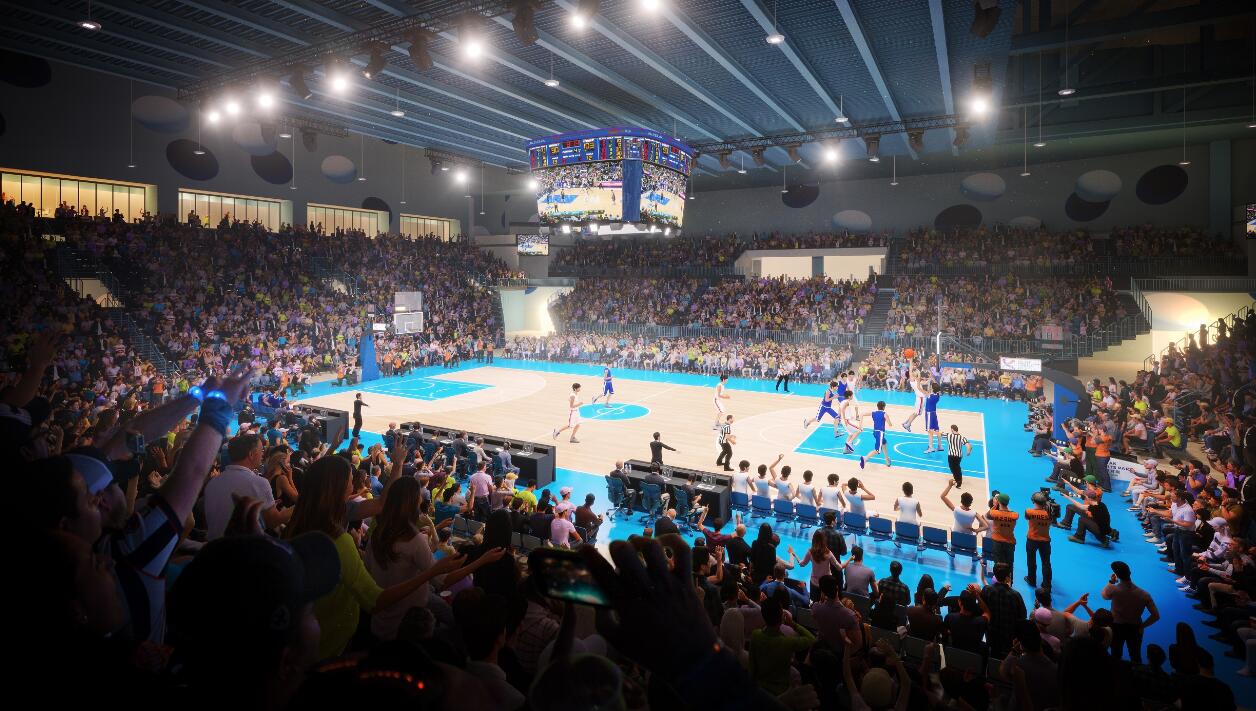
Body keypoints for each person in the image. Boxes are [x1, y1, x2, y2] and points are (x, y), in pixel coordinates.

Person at [204, 433, 291, 540]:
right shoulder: (258, 483)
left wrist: (266, 504)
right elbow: (272, 522)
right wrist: (300, 504)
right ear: (251, 454)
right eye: (261, 450)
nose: (263, 454)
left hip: (213, 545)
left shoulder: (213, 483)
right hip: (243, 548)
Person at [748, 597, 814, 695]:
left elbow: (752, 667)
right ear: (781, 617)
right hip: (781, 692)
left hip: (760, 690)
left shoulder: (755, 635)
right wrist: (793, 624)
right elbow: (812, 639)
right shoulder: (787, 642)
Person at [1102, 560, 1159, 663]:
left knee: (1115, 653)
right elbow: (1156, 616)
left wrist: (1111, 582)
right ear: (1130, 573)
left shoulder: (1113, 590)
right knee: (1135, 655)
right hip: (1135, 628)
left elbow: (1104, 595)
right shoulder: (1144, 595)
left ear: (1117, 575)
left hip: (1116, 627)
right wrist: (1142, 626)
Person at [982, 562, 1027, 659]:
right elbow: (1022, 616)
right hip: (1009, 635)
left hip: (991, 632)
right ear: (1008, 577)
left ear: (994, 575)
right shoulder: (1015, 595)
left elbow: (982, 609)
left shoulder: (986, 590)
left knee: (993, 654)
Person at [1057, 475, 1112, 547]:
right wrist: (1068, 483)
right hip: (1093, 515)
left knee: (1082, 519)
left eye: (1086, 482)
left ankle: (1079, 537)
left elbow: (1081, 503)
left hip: (1089, 514)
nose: (1085, 483)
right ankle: (1066, 524)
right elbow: (1079, 492)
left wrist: (1068, 496)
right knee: (1070, 507)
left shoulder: (1092, 496)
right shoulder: (1098, 493)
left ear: (1088, 483)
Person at [800, 528, 840, 602]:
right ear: (824, 540)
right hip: (826, 583)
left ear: (814, 539)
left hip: (814, 582)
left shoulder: (810, 552)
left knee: (814, 602)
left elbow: (802, 564)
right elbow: (839, 567)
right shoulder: (828, 553)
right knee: (826, 603)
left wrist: (798, 559)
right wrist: (848, 560)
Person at [1024, 491, 1053, 589]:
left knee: (1031, 561)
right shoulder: (1050, 513)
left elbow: (1027, 518)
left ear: (1033, 501)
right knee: (1046, 563)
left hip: (1032, 539)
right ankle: (1047, 585)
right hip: (1045, 540)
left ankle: (1031, 580)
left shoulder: (1029, 511)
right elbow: (1051, 522)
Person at [988, 492, 1019, 568]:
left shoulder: (995, 513)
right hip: (1010, 542)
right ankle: (1009, 576)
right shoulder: (1014, 515)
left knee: (998, 564)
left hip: (997, 542)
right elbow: (1011, 513)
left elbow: (988, 515)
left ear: (999, 502)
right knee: (1009, 564)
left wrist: (995, 505)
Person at [858, 400, 893, 469]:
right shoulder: (884, 414)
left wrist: (860, 425)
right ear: (884, 407)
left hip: (875, 432)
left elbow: (861, 414)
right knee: (877, 450)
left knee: (884, 443)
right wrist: (887, 419)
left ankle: (887, 460)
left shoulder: (873, 413)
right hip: (880, 433)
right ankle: (865, 458)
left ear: (877, 406)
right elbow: (890, 424)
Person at [942, 424, 972, 488]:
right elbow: (969, 446)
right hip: (959, 456)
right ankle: (958, 480)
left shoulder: (949, 435)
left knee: (952, 468)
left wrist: (934, 430)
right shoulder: (962, 437)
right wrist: (968, 452)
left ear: (952, 430)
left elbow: (940, 434)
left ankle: (958, 481)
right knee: (957, 467)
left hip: (951, 455)